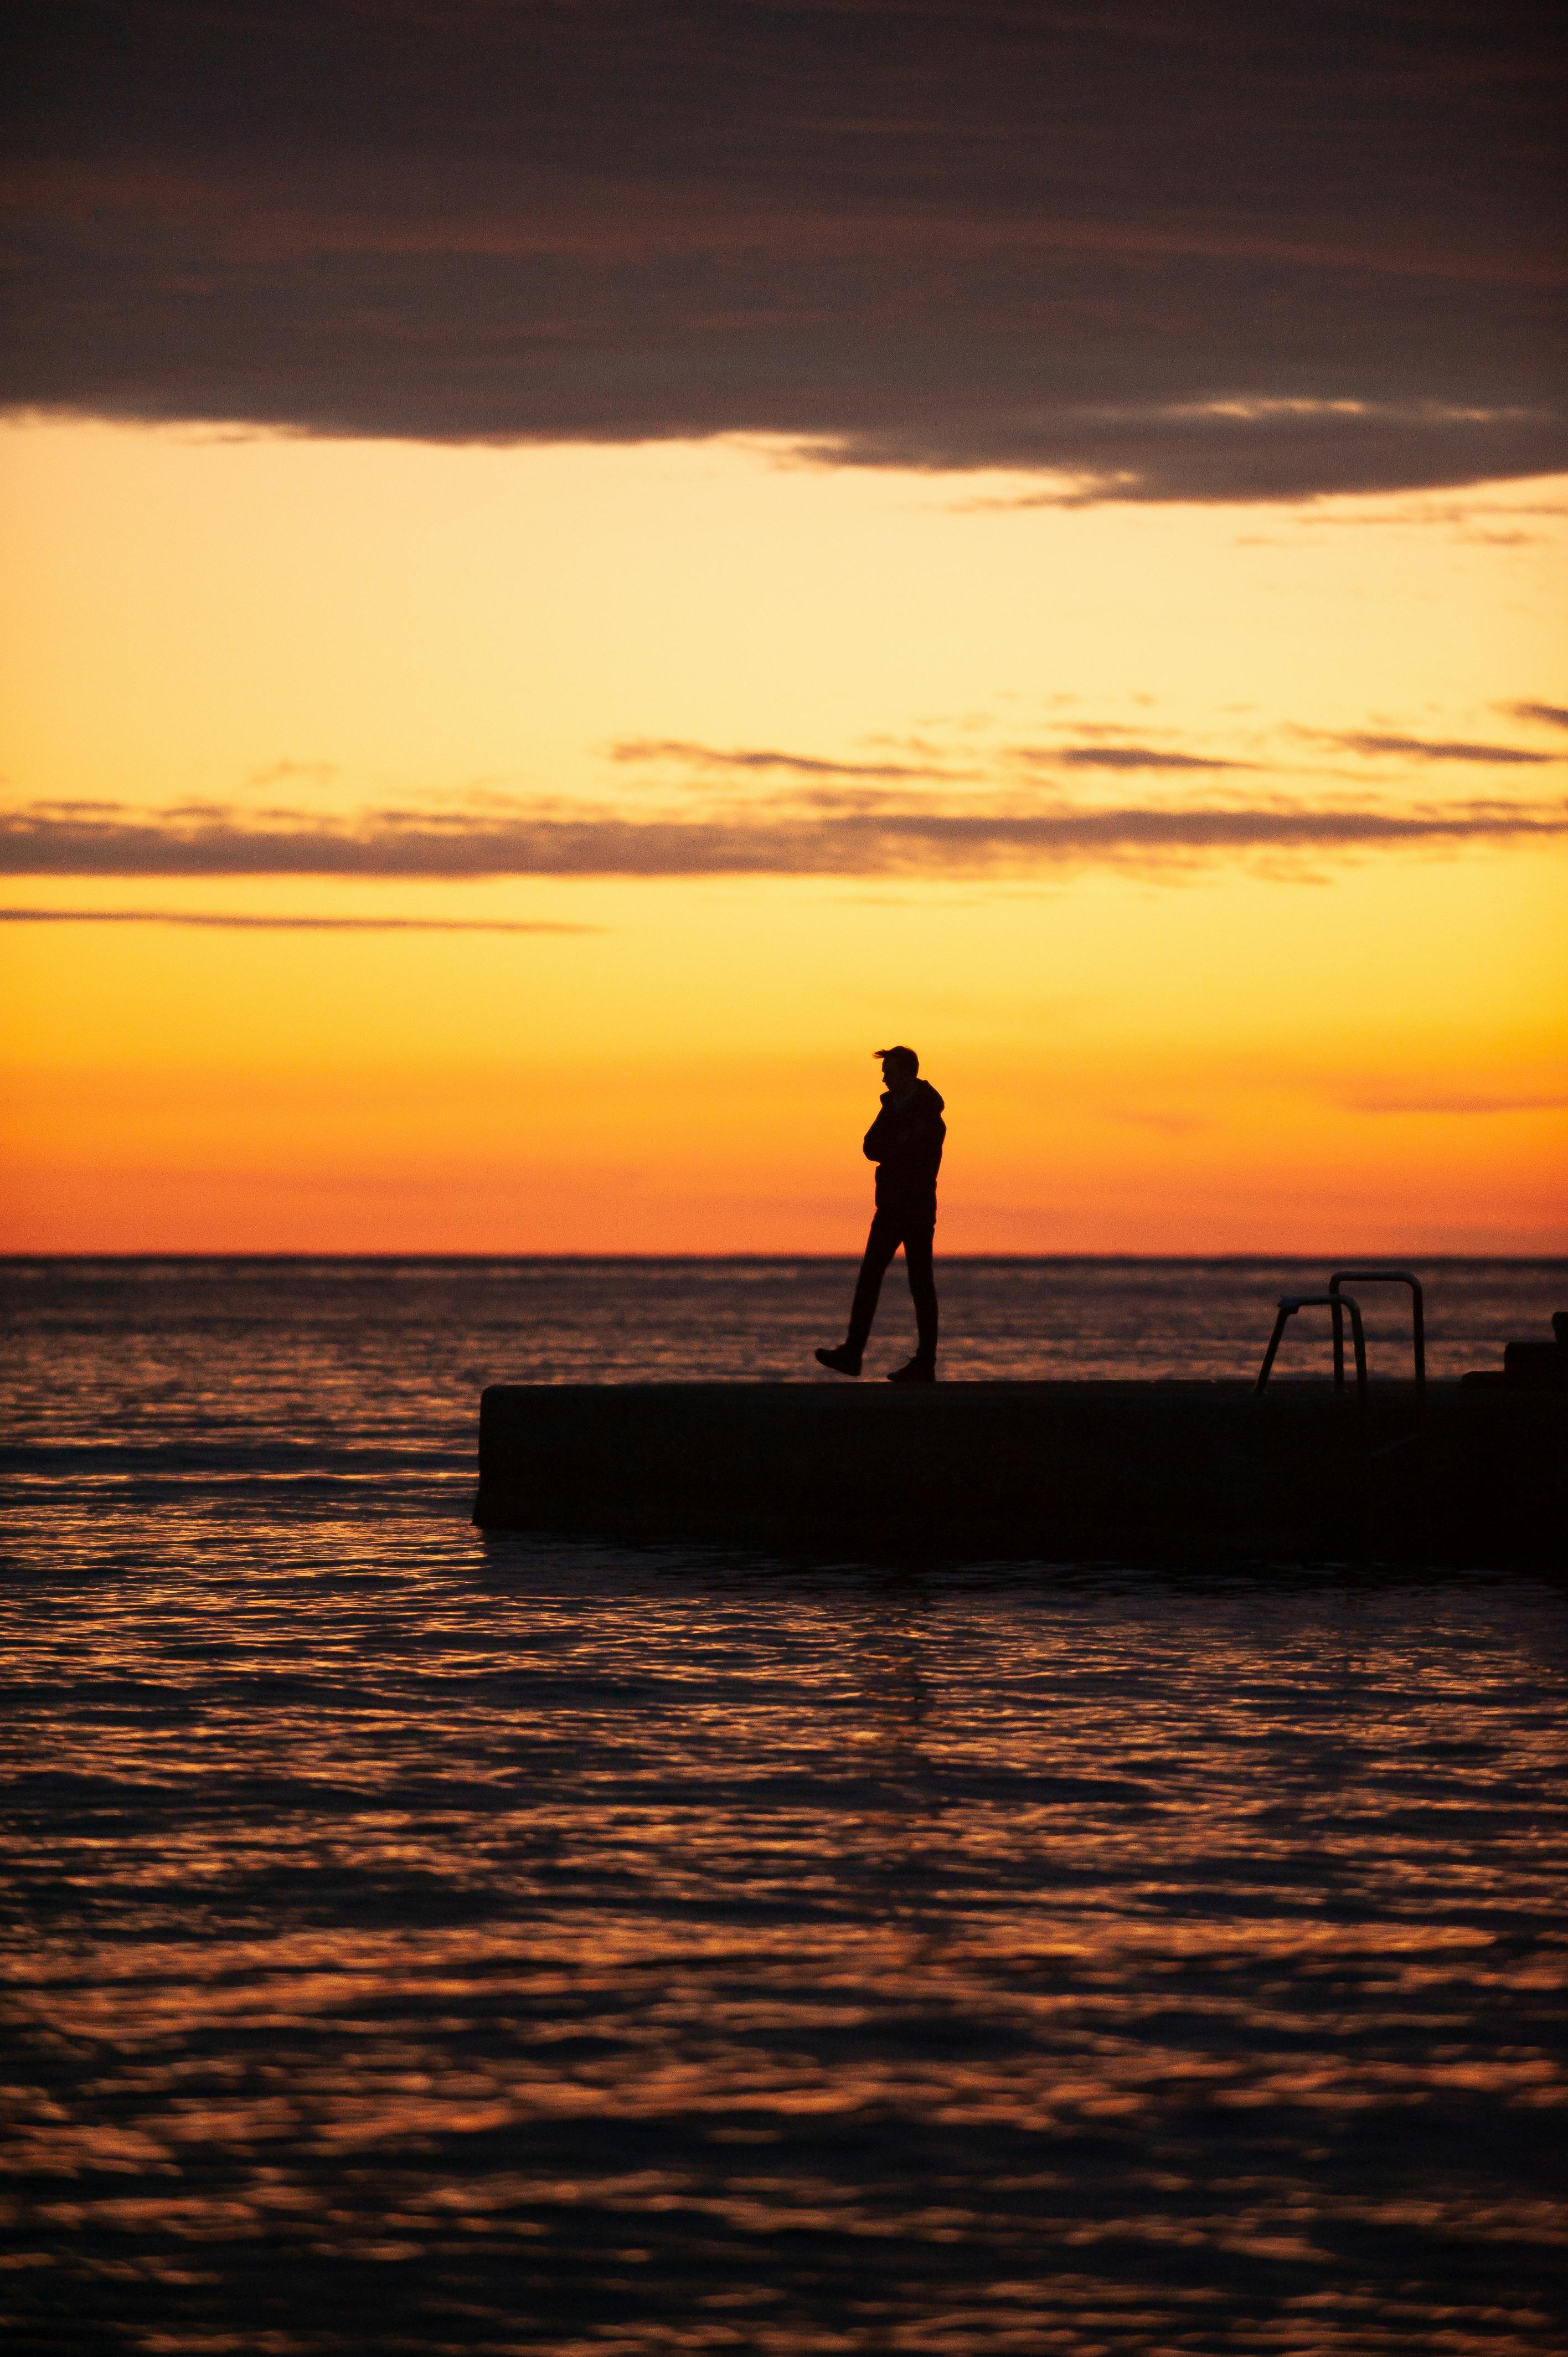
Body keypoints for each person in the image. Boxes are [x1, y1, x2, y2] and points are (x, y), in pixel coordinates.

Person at [816, 1045, 945, 1383]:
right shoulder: (890, 1109)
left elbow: (919, 1158)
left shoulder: (929, 1114)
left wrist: (897, 1147)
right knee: (870, 1277)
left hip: (916, 1208)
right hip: (889, 1207)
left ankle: (925, 1363)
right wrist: (899, 1145)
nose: (884, 1077)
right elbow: (870, 1145)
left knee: (921, 1283)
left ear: (908, 1073)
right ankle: (853, 1353)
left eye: (889, 1071)